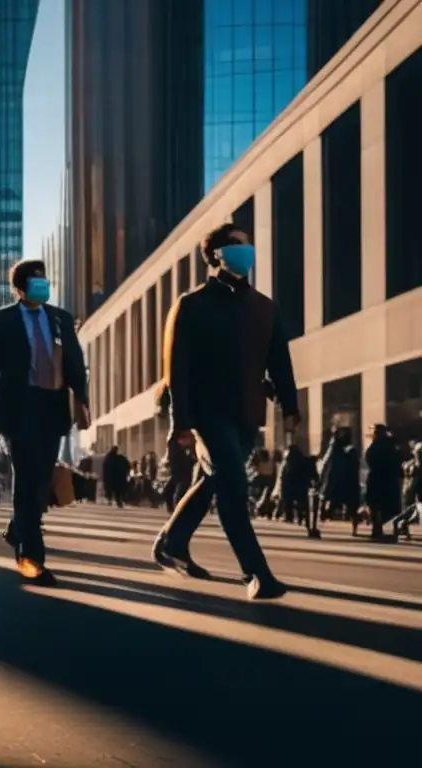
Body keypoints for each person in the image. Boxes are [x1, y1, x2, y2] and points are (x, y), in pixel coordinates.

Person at [153, 223, 297, 600]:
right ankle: (257, 574)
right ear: (216, 254)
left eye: (248, 246)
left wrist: (290, 405)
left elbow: (279, 360)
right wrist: (181, 423)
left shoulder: (264, 307)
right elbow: (176, 370)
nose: (245, 252)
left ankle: (172, 542)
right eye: (236, 246)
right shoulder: (191, 304)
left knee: (213, 480)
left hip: (247, 413)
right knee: (233, 483)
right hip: (207, 415)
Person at [0, 258, 89, 585]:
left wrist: (82, 402)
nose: (43, 285)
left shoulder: (60, 318)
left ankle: (18, 528)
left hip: (53, 407)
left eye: (45, 280)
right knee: (27, 478)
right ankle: (32, 558)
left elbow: (75, 361)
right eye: (36, 280)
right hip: (19, 406)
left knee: (42, 479)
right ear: (20, 288)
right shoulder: (0, 321)